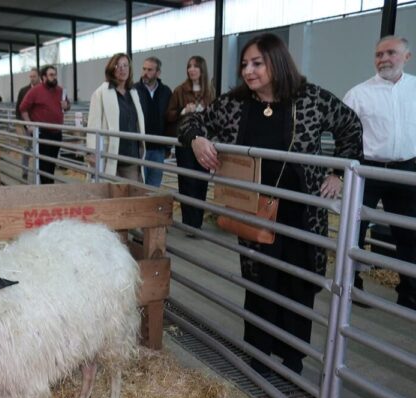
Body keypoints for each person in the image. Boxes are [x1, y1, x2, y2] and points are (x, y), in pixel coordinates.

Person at [178, 33, 362, 375]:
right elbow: (190, 121)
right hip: (255, 208)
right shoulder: (234, 103)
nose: (248, 71)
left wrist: (339, 171)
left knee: (300, 279)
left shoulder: (311, 98)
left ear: (277, 62)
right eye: (245, 64)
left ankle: (293, 357)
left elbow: (350, 126)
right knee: (260, 277)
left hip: (302, 210)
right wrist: (197, 138)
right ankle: (259, 354)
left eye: (257, 63)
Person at [343, 35, 416, 310]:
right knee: (355, 229)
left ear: (406, 56)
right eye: (378, 54)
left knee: (410, 234)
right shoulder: (358, 94)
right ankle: (352, 283)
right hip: (368, 171)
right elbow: (344, 135)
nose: (383, 59)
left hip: (406, 171)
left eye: (391, 53)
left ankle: (410, 290)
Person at [166, 56, 215, 230]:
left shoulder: (210, 91)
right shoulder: (180, 90)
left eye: (195, 66)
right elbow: (169, 115)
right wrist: (183, 110)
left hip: (205, 143)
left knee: (202, 181)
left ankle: (198, 222)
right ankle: (188, 223)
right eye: (189, 66)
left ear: (202, 69)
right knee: (187, 181)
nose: (191, 69)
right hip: (186, 143)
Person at [85, 53, 146, 182]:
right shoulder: (100, 93)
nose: (122, 69)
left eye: (125, 66)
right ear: (111, 69)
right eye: (118, 66)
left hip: (131, 156)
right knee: (109, 194)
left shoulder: (134, 93)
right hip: (109, 154)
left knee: (131, 194)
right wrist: (91, 152)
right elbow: (93, 124)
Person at [18, 65, 71, 184]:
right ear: (43, 77)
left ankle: (49, 185)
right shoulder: (35, 91)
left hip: (57, 132)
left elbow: (68, 105)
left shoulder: (61, 90)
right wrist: (29, 125)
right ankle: (44, 186)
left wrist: (66, 106)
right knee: (43, 162)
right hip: (42, 133)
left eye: (55, 74)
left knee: (52, 162)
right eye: (51, 75)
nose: (54, 77)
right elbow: (23, 108)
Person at [135, 57, 172, 187]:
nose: (145, 72)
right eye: (144, 69)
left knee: (154, 186)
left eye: (150, 70)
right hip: (140, 147)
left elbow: (169, 119)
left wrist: (168, 145)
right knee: (140, 185)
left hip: (158, 148)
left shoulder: (166, 92)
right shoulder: (134, 90)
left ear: (158, 73)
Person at [15, 69, 40, 179]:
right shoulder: (23, 91)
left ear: (38, 77)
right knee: (26, 149)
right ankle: (25, 171)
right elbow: (18, 108)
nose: (32, 78)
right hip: (26, 125)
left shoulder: (43, 90)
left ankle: (38, 172)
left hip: (39, 125)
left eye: (34, 76)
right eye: (30, 76)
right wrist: (20, 124)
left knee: (39, 150)